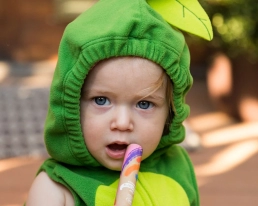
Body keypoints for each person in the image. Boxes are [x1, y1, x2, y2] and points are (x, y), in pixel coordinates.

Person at [26, 0, 212, 205]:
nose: (122, 123)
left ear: (170, 112)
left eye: (144, 104)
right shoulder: (55, 189)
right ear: (71, 105)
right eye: (101, 100)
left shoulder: (178, 168)